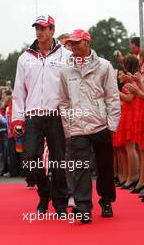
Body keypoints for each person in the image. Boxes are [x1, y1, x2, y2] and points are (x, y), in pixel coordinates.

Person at [59, 29, 121, 223]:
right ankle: (83, 206)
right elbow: (63, 102)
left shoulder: (104, 66)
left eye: (77, 42)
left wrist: (112, 124)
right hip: (77, 127)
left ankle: (106, 201)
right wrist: (68, 128)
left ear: (87, 42)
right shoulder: (65, 70)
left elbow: (112, 97)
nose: (74, 47)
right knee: (81, 168)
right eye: (71, 43)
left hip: (101, 125)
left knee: (105, 167)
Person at [12, 14, 70, 216]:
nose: (39, 31)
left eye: (44, 28)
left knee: (59, 160)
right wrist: (17, 118)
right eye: (37, 27)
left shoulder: (66, 56)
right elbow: (19, 90)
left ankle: (61, 202)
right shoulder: (24, 58)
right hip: (33, 116)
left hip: (56, 114)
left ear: (52, 30)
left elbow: (71, 87)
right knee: (31, 157)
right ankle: (45, 195)